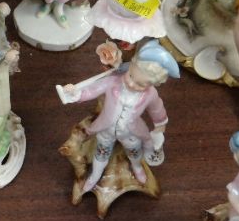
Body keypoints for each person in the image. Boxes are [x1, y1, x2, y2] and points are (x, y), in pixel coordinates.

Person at [61, 40, 179, 192]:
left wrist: (160, 127)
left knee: (134, 152)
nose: (131, 84)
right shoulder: (113, 82)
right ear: (130, 66)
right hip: (106, 128)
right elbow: (92, 90)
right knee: (101, 152)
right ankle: (95, 174)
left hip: (131, 132)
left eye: (140, 84)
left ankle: (137, 167)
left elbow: (157, 110)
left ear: (152, 84)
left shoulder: (150, 95)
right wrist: (75, 93)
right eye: (130, 75)